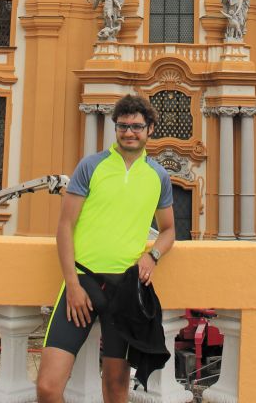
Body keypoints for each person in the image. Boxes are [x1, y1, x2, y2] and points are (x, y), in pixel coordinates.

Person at [37, 94, 176, 403]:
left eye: (136, 126)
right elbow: (65, 226)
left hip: (125, 290)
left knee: (115, 390)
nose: (129, 132)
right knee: (47, 386)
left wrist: (152, 255)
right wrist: (72, 285)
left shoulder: (158, 176)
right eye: (122, 126)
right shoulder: (91, 165)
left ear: (150, 129)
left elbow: (168, 231)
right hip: (82, 282)